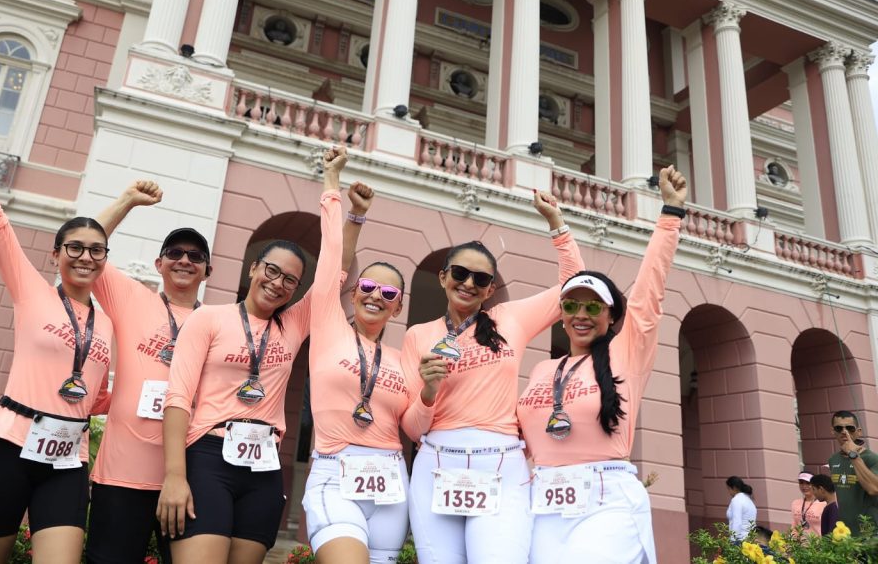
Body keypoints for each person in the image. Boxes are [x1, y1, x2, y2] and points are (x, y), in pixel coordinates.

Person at [157, 157, 367, 564]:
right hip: (208, 456)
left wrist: (336, 191)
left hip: (264, 467)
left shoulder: (293, 324)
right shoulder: (209, 318)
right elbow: (178, 399)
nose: (278, 282)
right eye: (272, 270)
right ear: (254, 268)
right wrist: (174, 476)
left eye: (290, 279)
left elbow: (334, 269)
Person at [0, 90, 112, 563]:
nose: (85, 256)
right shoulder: (32, 291)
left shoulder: (107, 325)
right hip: (7, 447)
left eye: (96, 249)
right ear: (56, 255)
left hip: (67, 459)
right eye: (74, 247)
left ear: (104, 262)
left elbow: (97, 394)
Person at [399, 186, 584, 564]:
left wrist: (557, 225)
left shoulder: (509, 319)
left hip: (500, 462)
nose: (468, 283)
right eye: (460, 273)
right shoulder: (418, 335)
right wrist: (429, 392)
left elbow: (574, 285)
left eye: (480, 279)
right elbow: (413, 429)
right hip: (436, 462)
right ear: (442, 277)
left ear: (489, 290)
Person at [518, 165, 687, 564]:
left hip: (606, 501)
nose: (581, 313)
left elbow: (649, 291)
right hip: (543, 502)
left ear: (611, 316)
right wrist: (557, 225)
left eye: (593, 306)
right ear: (561, 315)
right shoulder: (545, 370)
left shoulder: (626, 352)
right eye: (571, 305)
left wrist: (670, 216)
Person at [301, 148, 434, 564]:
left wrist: (429, 394)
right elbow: (330, 261)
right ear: (354, 291)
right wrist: (336, 191)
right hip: (334, 473)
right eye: (369, 287)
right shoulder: (328, 326)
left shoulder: (401, 358)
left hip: (391, 482)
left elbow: (413, 426)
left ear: (398, 308)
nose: (377, 295)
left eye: (390, 294)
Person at [85, 180, 211, 564]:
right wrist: (127, 202)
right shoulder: (131, 297)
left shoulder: (218, 321)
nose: (184, 260)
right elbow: (87, 246)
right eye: (175, 252)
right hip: (123, 473)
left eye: (195, 255)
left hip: (191, 478)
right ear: (159, 263)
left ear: (207, 270)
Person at [827, 410, 878, 534]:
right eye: (839, 428)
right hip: (845, 533)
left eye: (850, 428)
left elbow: (874, 488)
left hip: (870, 534)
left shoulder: (871, 458)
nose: (845, 432)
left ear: (858, 432)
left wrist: (853, 455)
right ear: (832, 431)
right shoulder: (833, 460)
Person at [790, 470, 824, 537]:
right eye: (801, 483)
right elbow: (794, 526)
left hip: (817, 545)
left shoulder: (823, 504)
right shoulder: (795, 503)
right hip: (799, 546)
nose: (804, 486)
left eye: (808, 483)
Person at [725, 476, 757, 543]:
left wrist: (733, 541)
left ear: (734, 488)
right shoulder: (749, 500)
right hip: (750, 540)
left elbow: (737, 521)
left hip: (740, 540)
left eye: (728, 489)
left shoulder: (737, 500)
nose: (728, 492)